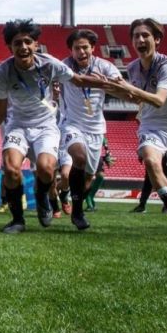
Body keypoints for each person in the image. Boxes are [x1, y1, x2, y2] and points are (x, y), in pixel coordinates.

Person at [0, 19, 111, 234]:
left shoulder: (49, 64)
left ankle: (42, 199)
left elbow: (77, 79)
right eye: (17, 43)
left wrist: (109, 84)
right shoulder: (2, 72)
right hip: (17, 126)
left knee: (46, 169)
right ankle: (17, 220)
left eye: (27, 42)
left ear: (36, 45)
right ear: (10, 47)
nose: (23, 47)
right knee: (11, 169)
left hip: (46, 126)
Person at [107, 18, 167, 237]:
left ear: (157, 40)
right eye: (136, 36)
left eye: (145, 35)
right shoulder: (132, 67)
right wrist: (109, 86)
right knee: (150, 161)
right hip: (150, 123)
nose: (140, 40)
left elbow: (158, 99)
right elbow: (136, 99)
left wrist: (127, 87)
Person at [57, 29, 122, 227]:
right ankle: (77, 213)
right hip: (71, 124)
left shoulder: (105, 66)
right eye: (77, 48)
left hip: (96, 128)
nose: (81, 51)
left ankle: (71, 199)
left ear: (93, 48)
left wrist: (106, 82)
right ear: (71, 50)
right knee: (79, 158)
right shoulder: (64, 66)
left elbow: (120, 85)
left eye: (85, 47)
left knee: (89, 177)